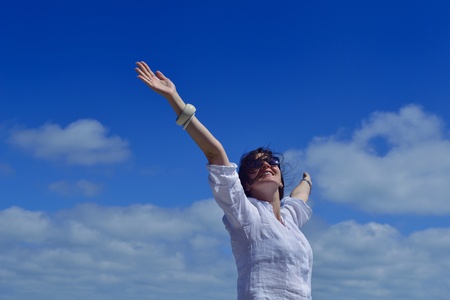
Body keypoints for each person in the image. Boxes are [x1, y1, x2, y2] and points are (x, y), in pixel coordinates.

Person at [135, 61, 314, 300]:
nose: (265, 166)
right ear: (246, 184)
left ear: (281, 180)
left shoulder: (290, 219)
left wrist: (308, 180)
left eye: (271, 162)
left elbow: (299, 196)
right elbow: (214, 153)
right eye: (254, 165)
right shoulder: (246, 214)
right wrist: (174, 99)